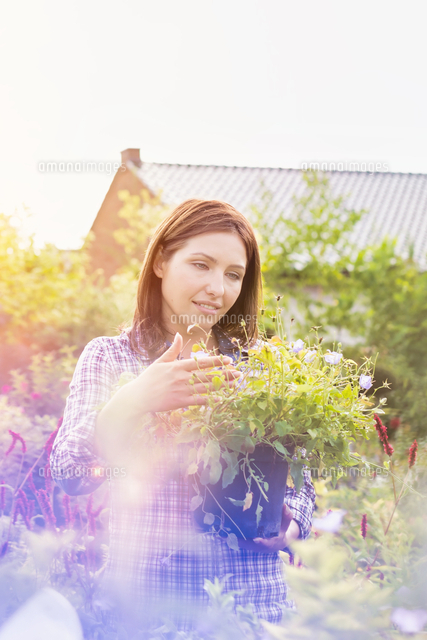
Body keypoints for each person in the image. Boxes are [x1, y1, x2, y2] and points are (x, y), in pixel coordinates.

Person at [50, 199, 316, 633]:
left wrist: (293, 518)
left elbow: (301, 482)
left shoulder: (262, 368)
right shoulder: (112, 358)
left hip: (251, 608)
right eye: (201, 264)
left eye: (233, 274)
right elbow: (72, 473)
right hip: (149, 611)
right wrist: (133, 401)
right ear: (160, 261)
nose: (217, 287)